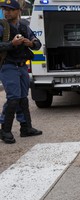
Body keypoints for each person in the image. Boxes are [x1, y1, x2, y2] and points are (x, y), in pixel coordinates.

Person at [0, 0, 42, 144]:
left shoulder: (24, 26)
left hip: (22, 66)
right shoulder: (2, 26)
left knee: (23, 97)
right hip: (8, 65)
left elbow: (37, 43)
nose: (7, 12)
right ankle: (5, 130)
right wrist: (12, 44)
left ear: (18, 11)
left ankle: (26, 128)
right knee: (13, 98)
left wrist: (31, 43)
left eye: (10, 9)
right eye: (5, 9)